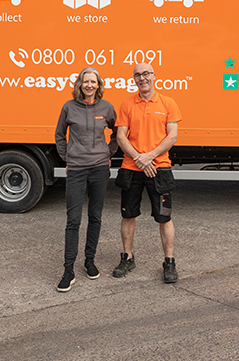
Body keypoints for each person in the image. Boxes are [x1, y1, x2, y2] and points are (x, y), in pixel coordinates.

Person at [112, 62, 182, 283]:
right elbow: (121, 137)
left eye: (146, 74)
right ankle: (127, 258)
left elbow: (172, 136)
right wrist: (139, 159)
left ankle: (169, 262)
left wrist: (149, 156)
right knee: (128, 215)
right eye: (137, 75)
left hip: (159, 169)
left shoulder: (168, 103)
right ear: (134, 79)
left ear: (154, 76)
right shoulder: (126, 105)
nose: (142, 78)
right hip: (131, 169)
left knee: (164, 217)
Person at [54, 67, 117, 292]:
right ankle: (68, 270)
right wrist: (67, 157)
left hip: (99, 168)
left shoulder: (107, 107)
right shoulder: (69, 107)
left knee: (95, 216)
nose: (89, 85)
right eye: (85, 81)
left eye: (93, 82)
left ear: (98, 85)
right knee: (73, 220)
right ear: (80, 84)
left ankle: (90, 261)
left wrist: (108, 153)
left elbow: (118, 133)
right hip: (77, 169)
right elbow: (59, 135)